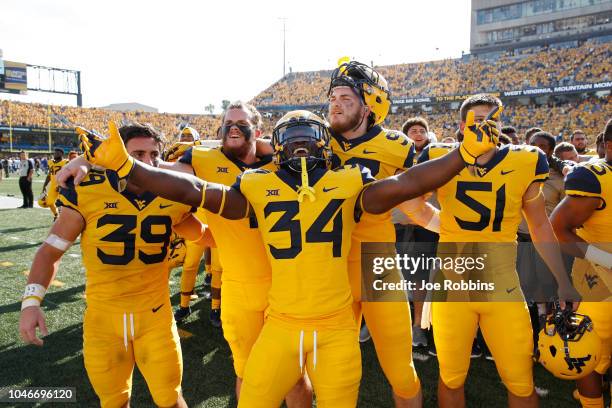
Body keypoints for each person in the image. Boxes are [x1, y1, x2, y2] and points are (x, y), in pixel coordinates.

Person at [76, 106, 498, 407]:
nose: (300, 146)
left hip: (334, 329)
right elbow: (192, 191)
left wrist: (461, 155)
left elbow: (406, 184)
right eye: (291, 137)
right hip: (281, 325)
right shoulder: (256, 184)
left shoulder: (349, 181)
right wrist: (126, 166)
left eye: (308, 136)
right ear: (275, 146)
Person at [400, 94, 580, 408]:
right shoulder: (442, 155)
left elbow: (539, 226)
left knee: (521, 379)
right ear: (461, 125)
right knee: (451, 376)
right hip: (452, 288)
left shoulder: (524, 160)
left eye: (491, 119)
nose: (485, 124)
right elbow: (412, 204)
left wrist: (562, 280)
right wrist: (446, 226)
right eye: (477, 119)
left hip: (503, 287)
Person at [19, 122, 213, 408]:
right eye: (138, 154)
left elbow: (206, 235)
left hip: (156, 319)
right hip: (103, 323)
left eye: (154, 155)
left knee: (171, 399)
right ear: (118, 155)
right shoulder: (88, 192)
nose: (147, 163)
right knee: (114, 402)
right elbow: (50, 253)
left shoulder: (170, 194)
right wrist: (31, 302)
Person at [551, 119, 612, 408]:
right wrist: (606, 260)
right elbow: (557, 228)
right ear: (609, 146)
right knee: (588, 353)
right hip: (600, 283)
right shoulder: (595, 177)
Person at [39, 148, 68, 220]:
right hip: (53, 186)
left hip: (63, 185)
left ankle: (62, 218)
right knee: (45, 202)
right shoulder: (50, 162)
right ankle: (56, 214)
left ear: (61, 154)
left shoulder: (66, 162)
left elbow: (69, 175)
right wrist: (44, 187)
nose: (55, 154)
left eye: (57, 153)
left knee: (63, 203)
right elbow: (49, 175)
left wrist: (63, 184)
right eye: (54, 153)